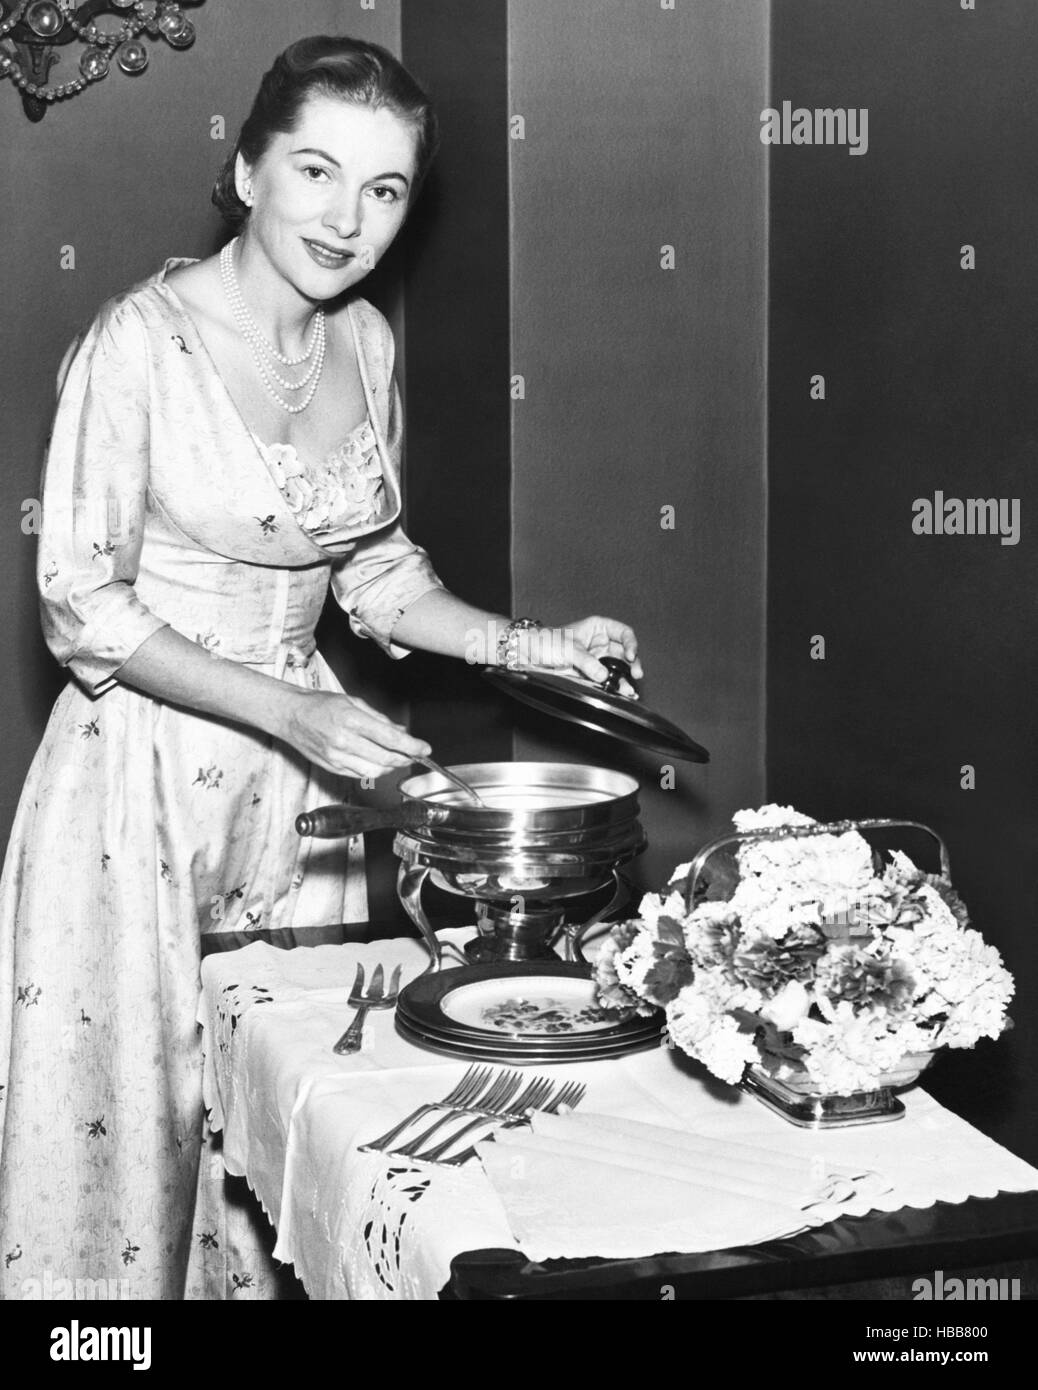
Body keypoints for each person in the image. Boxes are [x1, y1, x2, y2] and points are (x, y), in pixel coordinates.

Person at [0, 34, 642, 1300]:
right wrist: (295, 708)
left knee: (288, 1127)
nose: (347, 221)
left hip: (307, 797)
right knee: (129, 1143)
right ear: (247, 173)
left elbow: (376, 573)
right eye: (315, 171)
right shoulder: (137, 343)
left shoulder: (364, 346)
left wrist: (534, 645)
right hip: (141, 789)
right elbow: (80, 603)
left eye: (386, 189)